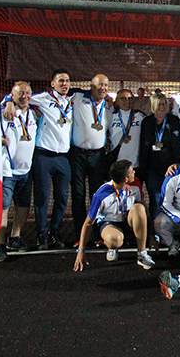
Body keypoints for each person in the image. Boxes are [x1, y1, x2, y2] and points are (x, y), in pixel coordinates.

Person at [3, 69, 73, 249]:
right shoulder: (43, 98)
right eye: (60, 80)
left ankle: (54, 233)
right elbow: (21, 97)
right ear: (52, 83)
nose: (64, 84)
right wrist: (9, 101)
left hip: (63, 158)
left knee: (62, 198)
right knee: (42, 198)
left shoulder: (72, 102)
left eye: (67, 81)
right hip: (43, 157)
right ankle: (41, 236)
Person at [73, 160, 155, 271]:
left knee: (139, 207)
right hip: (109, 224)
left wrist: (152, 234)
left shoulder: (134, 187)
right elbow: (88, 223)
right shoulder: (101, 194)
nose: (134, 172)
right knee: (115, 239)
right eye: (132, 171)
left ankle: (142, 254)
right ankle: (112, 247)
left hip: (127, 221)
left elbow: (143, 210)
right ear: (126, 179)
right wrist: (81, 251)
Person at [0, 82, 36, 261]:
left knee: (23, 206)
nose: (24, 96)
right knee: (3, 207)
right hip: (7, 171)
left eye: (27, 93)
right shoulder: (3, 113)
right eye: (20, 93)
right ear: (12, 95)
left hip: (26, 170)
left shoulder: (33, 114)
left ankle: (15, 238)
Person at [68, 74, 111, 242]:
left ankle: (98, 233)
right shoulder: (78, 96)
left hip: (98, 156)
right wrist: (9, 101)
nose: (103, 88)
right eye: (100, 85)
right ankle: (80, 234)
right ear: (91, 86)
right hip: (77, 155)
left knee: (97, 195)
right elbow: (56, 93)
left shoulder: (109, 106)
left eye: (106, 85)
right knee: (78, 194)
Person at [138, 93, 180, 221]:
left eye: (164, 104)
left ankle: (170, 226)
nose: (162, 107)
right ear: (153, 106)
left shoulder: (174, 120)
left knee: (171, 198)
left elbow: (178, 144)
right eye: (159, 104)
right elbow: (143, 145)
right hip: (152, 168)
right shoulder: (146, 122)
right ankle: (155, 227)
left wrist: (177, 163)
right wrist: (143, 168)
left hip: (170, 167)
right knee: (155, 199)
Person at [106, 89, 145, 170]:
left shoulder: (140, 116)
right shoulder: (110, 116)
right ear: (117, 101)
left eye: (130, 98)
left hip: (135, 164)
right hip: (116, 162)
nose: (127, 101)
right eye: (123, 98)